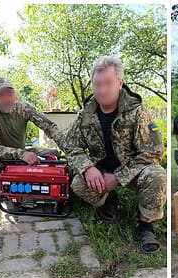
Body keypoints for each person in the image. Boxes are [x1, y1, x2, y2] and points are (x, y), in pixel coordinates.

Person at [65, 56, 166, 254]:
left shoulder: (137, 112)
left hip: (132, 171)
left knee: (156, 175)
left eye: (108, 83)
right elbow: (72, 147)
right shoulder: (85, 115)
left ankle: (145, 225)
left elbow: (153, 152)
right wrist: (88, 168)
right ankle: (109, 200)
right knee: (78, 182)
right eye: (97, 84)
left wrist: (119, 178)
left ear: (120, 83)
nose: (102, 90)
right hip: (100, 171)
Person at [0, 76, 66, 189]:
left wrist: (67, 147)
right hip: (2, 156)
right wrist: (21, 154)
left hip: (22, 150)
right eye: (0, 95)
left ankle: (46, 184)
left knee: (54, 154)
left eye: (9, 94)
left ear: (15, 95)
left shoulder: (24, 108)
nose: (6, 99)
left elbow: (50, 127)